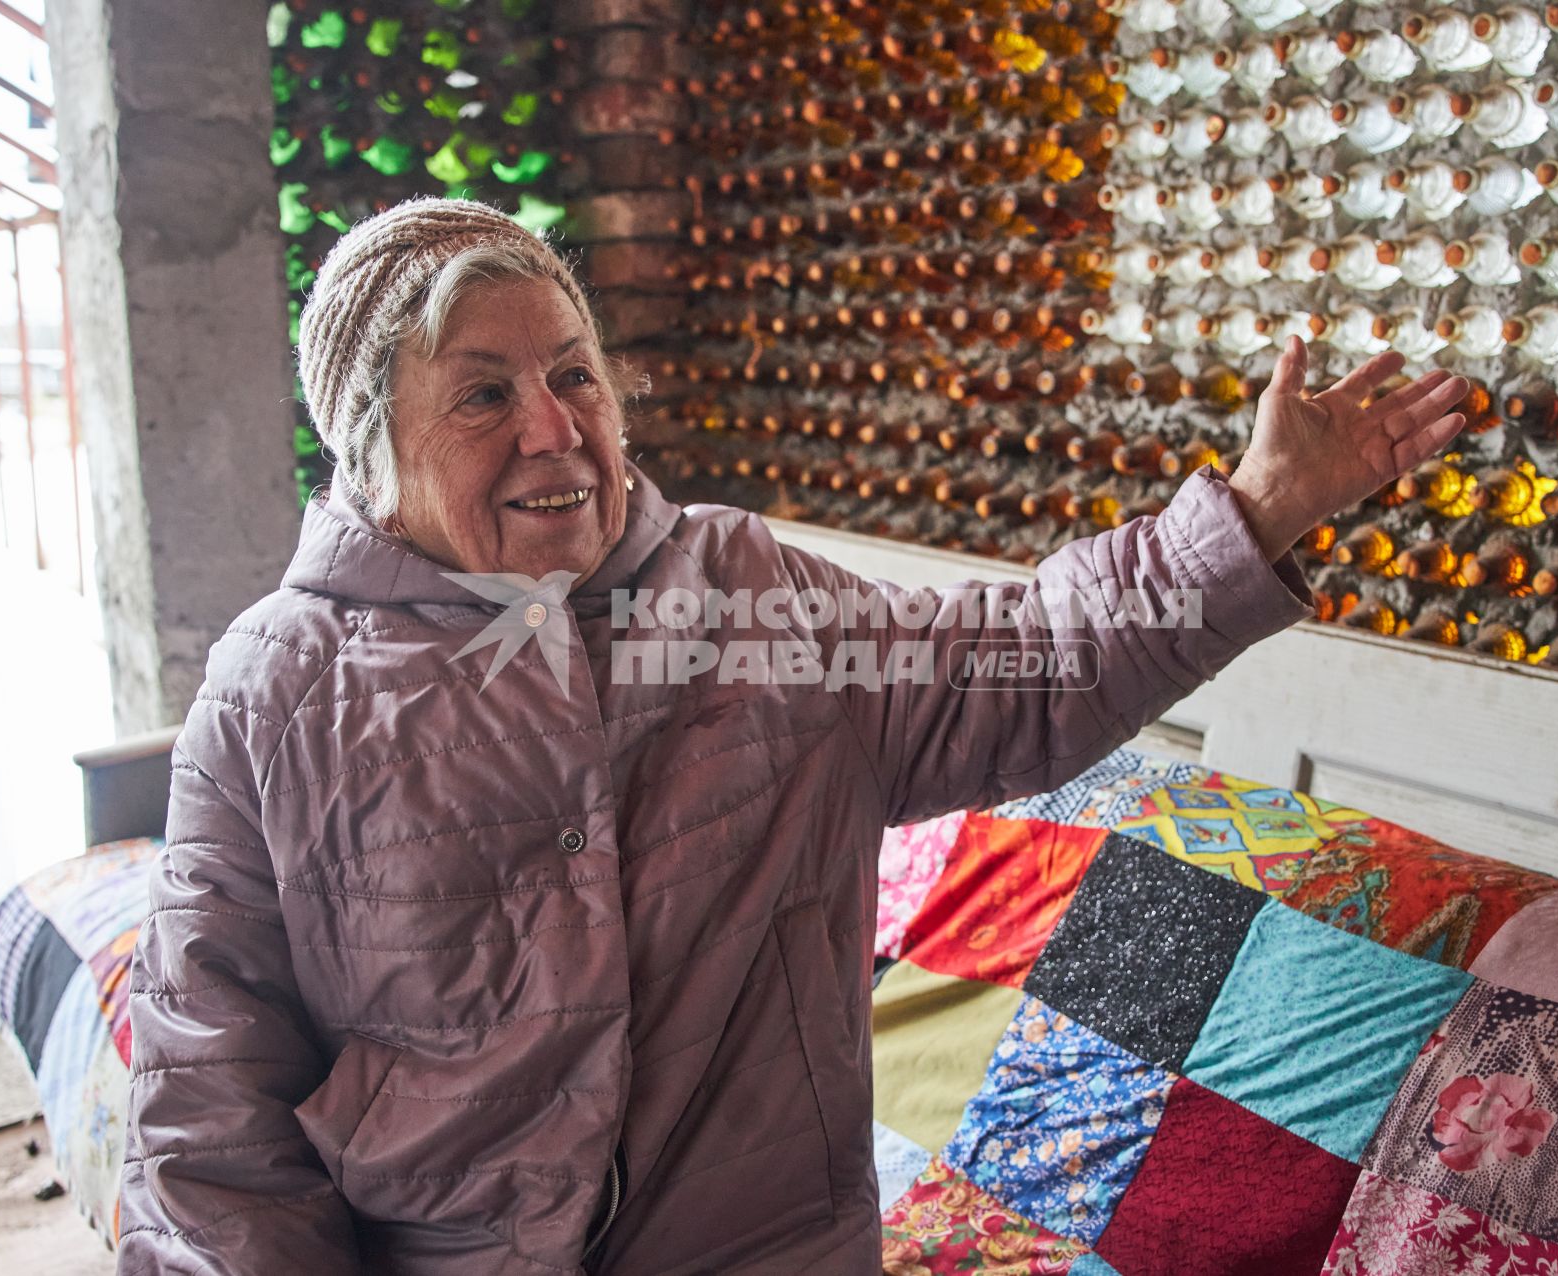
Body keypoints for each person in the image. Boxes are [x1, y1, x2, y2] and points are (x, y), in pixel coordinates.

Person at [114, 196, 1470, 1275]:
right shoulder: (277, 690)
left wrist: (1253, 513)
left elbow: (1026, 662)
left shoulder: (742, 594)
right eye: (482, 396)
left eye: (573, 375)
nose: (557, 431)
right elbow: (207, 1111)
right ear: (369, 448)